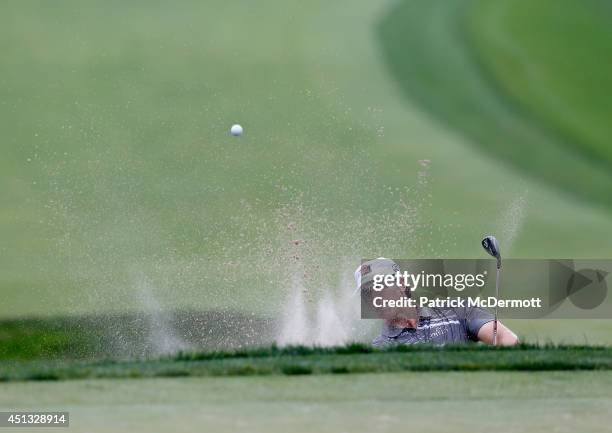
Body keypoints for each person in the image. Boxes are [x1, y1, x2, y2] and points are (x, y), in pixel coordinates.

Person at [355, 258, 519, 347]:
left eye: (380, 286)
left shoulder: (457, 310)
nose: (374, 297)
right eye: (367, 294)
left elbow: (506, 339)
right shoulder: (381, 348)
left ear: (401, 283)